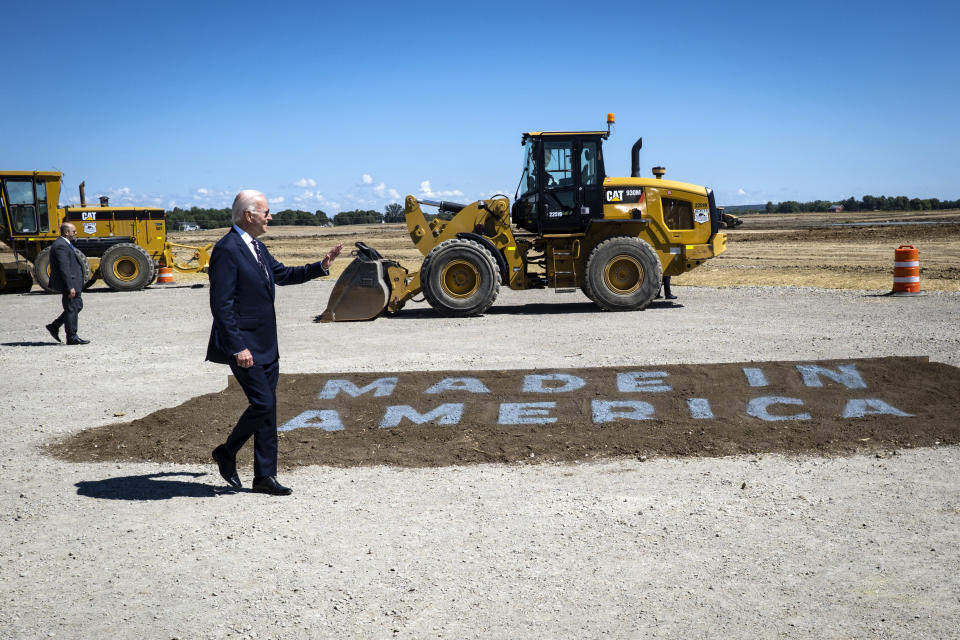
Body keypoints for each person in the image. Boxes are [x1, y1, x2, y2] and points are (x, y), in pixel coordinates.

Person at [207, 189, 342, 496]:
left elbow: (282, 275)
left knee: (268, 410)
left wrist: (320, 266)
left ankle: (264, 476)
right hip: (244, 346)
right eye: (266, 212)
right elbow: (222, 305)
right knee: (262, 403)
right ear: (248, 215)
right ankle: (227, 452)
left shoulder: (256, 247)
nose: (270, 217)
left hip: (268, 344)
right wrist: (238, 346)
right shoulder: (227, 250)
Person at [45, 222, 89, 345]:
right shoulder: (60, 246)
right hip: (70, 284)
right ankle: (72, 337)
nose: (76, 233)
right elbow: (64, 268)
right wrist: (70, 286)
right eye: (74, 231)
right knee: (71, 308)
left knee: (77, 306)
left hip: (75, 282)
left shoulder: (65, 244)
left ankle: (55, 325)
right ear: (66, 232)